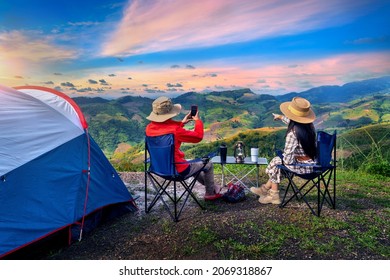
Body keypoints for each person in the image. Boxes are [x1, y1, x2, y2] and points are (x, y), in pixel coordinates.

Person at [145, 96, 223, 200]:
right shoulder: (175, 130)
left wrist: (181, 123)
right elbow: (198, 137)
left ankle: (213, 187)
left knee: (191, 164)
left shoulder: (149, 128)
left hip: (158, 168)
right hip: (178, 171)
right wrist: (197, 121)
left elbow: (166, 129)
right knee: (207, 164)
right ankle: (210, 193)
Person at [250, 97, 317, 204]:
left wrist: (282, 157)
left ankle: (274, 195)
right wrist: (281, 117)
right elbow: (294, 122)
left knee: (276, 163)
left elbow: (288, 160)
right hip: (313, 165)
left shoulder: (293, 134)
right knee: (277, 162)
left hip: (303, 168)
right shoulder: (310, 128)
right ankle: (265, 189)